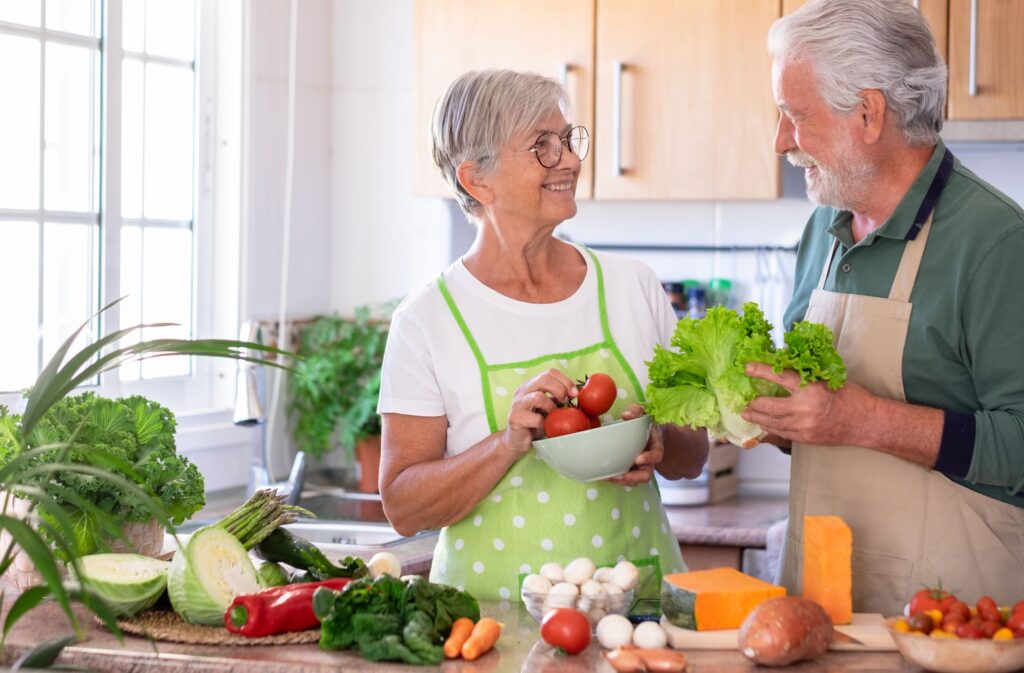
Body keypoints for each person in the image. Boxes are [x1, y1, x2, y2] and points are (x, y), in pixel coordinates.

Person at [376, 69, 709, 600]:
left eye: (569, 139)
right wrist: (508, 443)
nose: (571, 160)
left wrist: (660, 443)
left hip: (638, 609)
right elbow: (403, 506)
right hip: (490, 621)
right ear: (476, 180)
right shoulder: (427, 320)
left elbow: (694, 458)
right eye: (542, 147)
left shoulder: (633, 287)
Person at [743, 0, 1024, 615]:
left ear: (868, 114)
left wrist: (863, 421)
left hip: (954, 621)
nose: (780, 142)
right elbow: (814, 413)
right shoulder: (822, 229)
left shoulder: (998, 244)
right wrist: (769, 416)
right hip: (819, 607)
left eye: (794, 116)